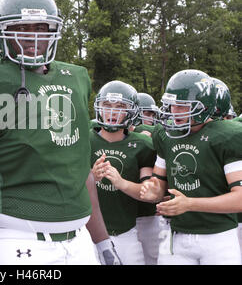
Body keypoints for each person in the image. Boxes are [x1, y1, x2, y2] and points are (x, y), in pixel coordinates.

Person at [0, 0, 98, 265]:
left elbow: (81, 171)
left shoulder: (74, 78)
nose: (33, 36)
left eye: (42, 27)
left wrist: (103, 241)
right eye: (21, 27)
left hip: (79, 241)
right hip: (17, 241)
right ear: (1, 33)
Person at [140, 69, 242, 265]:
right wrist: (152, 191)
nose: (174, 112)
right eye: (172, 105)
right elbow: (158, 183)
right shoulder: (165, 134)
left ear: (204, 107)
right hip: (175, 235)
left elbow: (240, 198)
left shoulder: (226, 135)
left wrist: (191, 203)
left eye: (183, 106)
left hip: (218, 237)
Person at [90, 80, 156, 264]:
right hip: (87, 234)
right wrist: (91, 177)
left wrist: (121, 183)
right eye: (107, 105)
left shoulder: (142, 145)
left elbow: (149, 193)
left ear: (131, 111)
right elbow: (68, 185)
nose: (112, 111)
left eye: (120, 106)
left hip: (125, 232)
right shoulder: (85, 139)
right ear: (98, 107)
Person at [129, 92, 165, 265]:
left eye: (152, 115)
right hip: (123, 214)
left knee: (153, 258)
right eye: (146, 114)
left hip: (149, 213)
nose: (150, 119)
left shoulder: (158, 135)